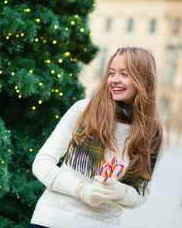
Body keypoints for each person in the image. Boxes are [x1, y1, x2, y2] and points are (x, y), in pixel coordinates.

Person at [31, 47, 168, 228]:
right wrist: (82, 190)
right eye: (111, 73)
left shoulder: (155, 134)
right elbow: (41, 163)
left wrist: (119, 191)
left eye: (124, 74)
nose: (114, 80)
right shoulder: (83, 111)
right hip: (51, 219)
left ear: (143, 80)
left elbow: (140, 195)